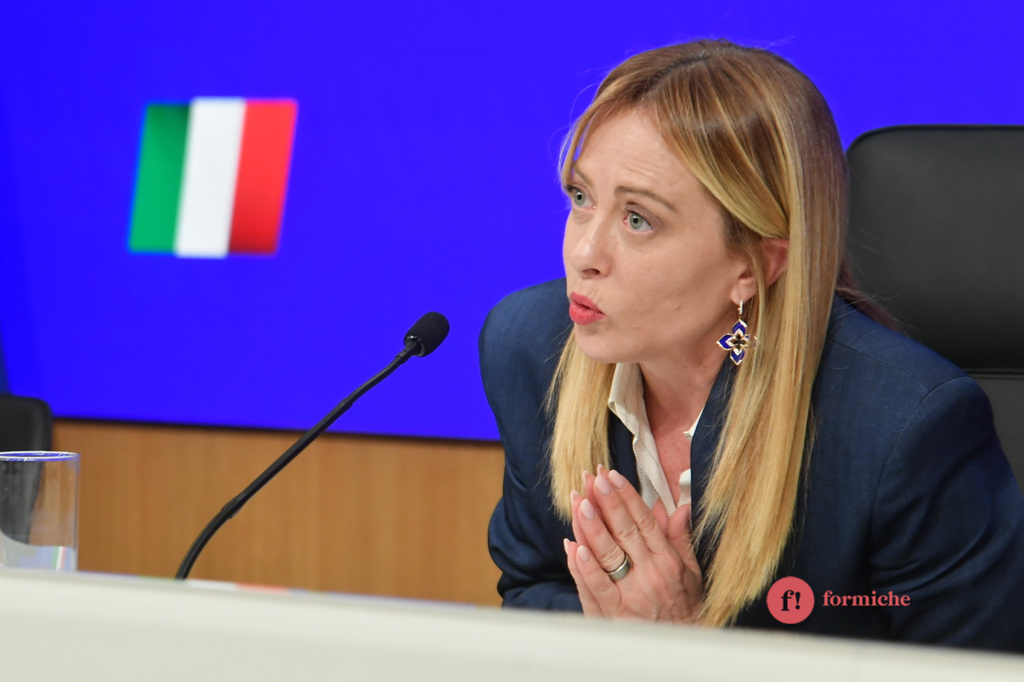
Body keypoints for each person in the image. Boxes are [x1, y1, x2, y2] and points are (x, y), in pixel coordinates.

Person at [480, 39, 1024, 652]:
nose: (582, 253)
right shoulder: (530, 348)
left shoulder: (901, 427)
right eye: (581, 198)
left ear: (754, 266)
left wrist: (689, 648)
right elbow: (533, 589)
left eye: (638, 219)